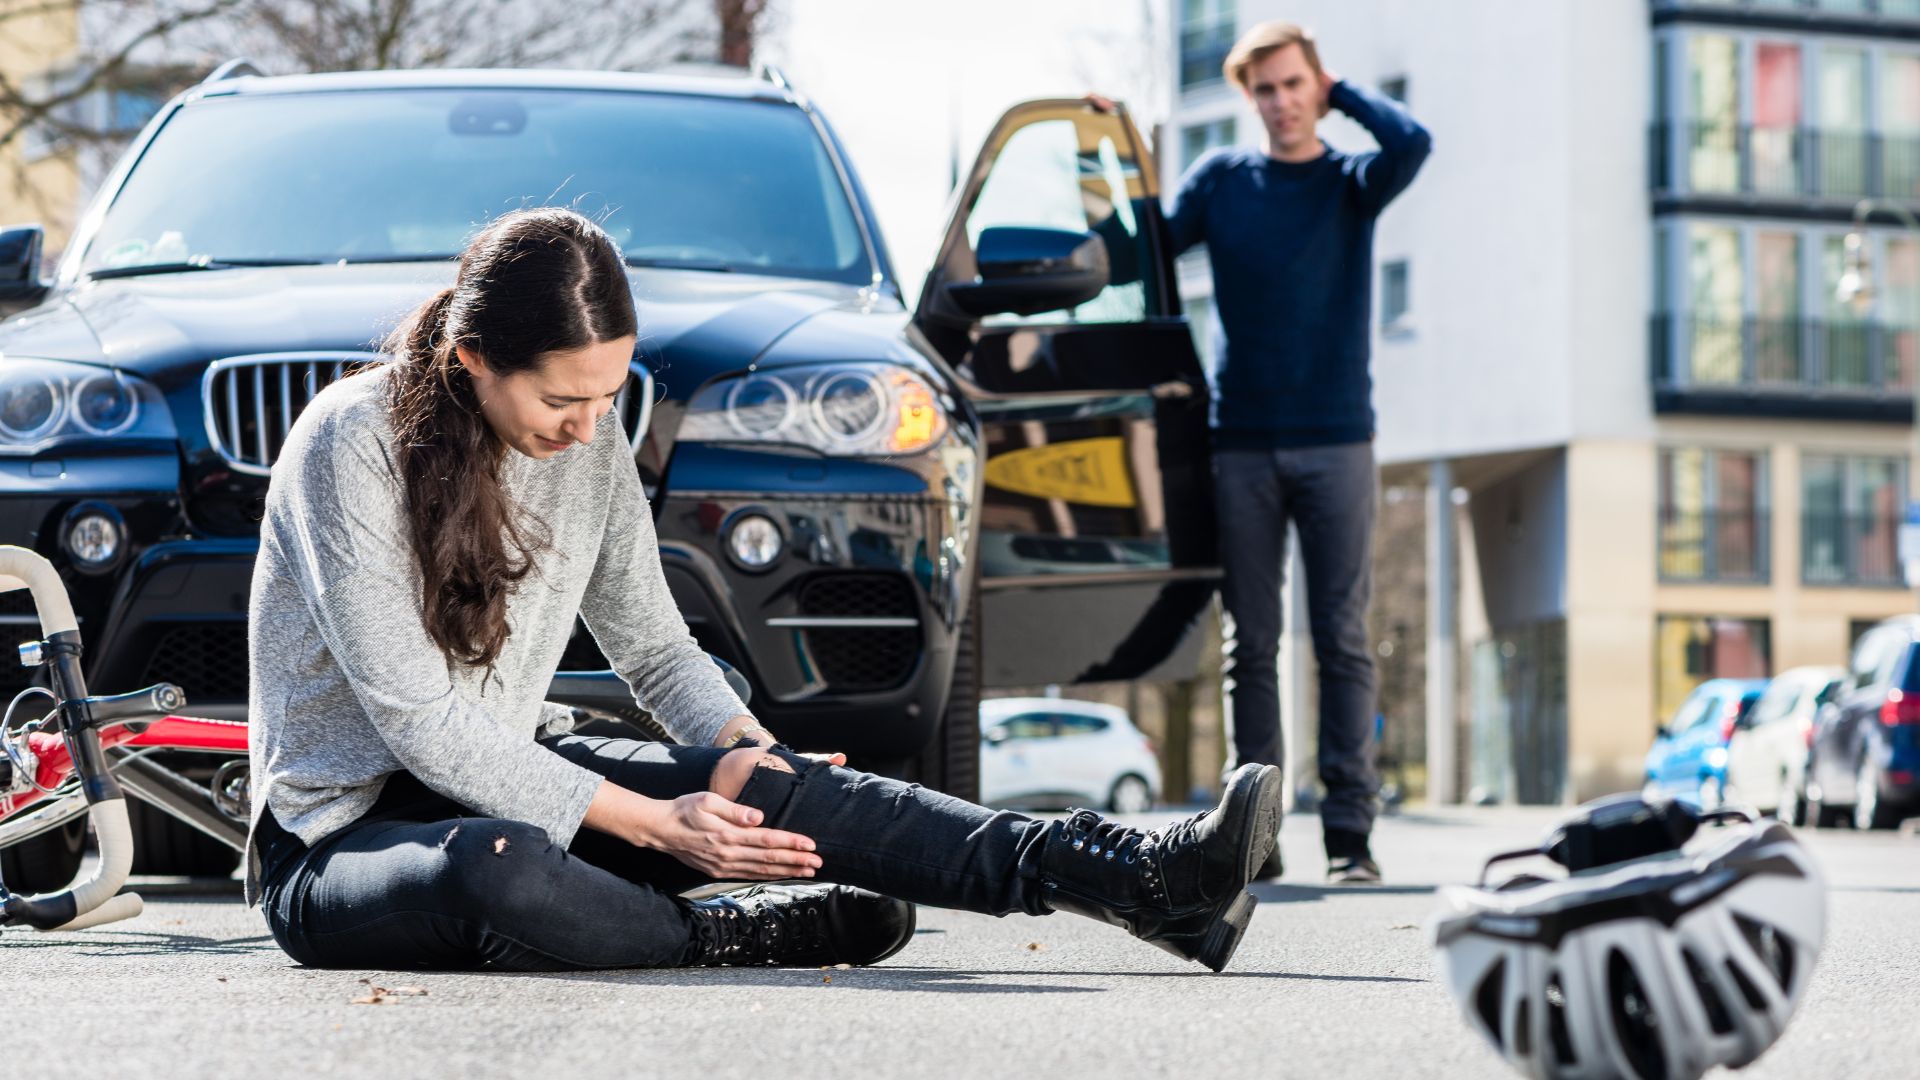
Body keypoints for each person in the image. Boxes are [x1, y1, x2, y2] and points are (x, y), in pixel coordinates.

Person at [243, 207, 1285, 973]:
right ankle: (722, 934)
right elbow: (419, 723)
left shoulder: (588, 442)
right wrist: (659, 827)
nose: (589, 425)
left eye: (610, 394)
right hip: (339, 845)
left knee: (755, 781)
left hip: (509, 772)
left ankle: (1134, 880)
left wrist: (754, 756)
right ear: (474, 357)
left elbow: (653, 649)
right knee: (496, 866)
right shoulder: (351, 443)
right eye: (563, 398)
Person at [1163, 22, 1431, 884]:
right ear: (1250, 101)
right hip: (1240, 441)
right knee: (1252, 645)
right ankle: (1257, 835)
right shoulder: (1223, 183)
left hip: (1338, 441)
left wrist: (1343, 88)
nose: (1280, 103)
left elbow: (1413, 140)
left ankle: (1351, 836)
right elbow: (1148, 242)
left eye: (1293, 85)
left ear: (1315, 85)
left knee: (1343, 639)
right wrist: (1112, 144)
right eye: (1266, 91)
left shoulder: (1353, 183)